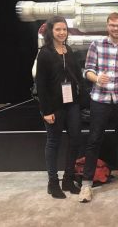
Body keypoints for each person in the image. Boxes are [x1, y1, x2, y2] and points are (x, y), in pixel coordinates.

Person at [78, 12, 118, 203]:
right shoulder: (96, 45)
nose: (116, 28)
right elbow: (87, 71)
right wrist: (97, 79)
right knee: (94, 138)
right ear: (107, 26)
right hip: (100, 98)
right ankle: (86, 184)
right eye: (112, 25)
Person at [36, 16, 82, 199]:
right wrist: (46, 111)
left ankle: (68, 179)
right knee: (53, 142)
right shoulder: (45, 53)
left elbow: (76, 76)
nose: (62, 32)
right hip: (53, 107)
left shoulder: (68, 50)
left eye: (64, 29)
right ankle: (52, 182)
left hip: (72, 104)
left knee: (76, 139)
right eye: (58, 30)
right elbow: (41, 85)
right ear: (50, 31)